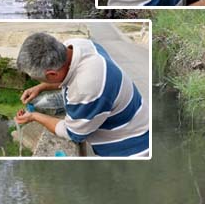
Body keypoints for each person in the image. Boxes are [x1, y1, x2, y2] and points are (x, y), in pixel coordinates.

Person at [14, 32, 150, 157]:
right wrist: (41, 87)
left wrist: (33, 116)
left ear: (52, 74)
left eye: (38, 79)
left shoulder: (85, 89)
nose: (38, 82)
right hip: (137, 116)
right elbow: (68, 76)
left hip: (131, 146)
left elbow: (71, 133)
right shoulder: (77, 45)